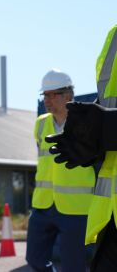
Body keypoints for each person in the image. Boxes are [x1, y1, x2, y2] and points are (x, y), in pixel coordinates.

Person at [46, 24, 117, 271]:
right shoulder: (114, 36)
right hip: (111, 219)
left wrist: (108, 126)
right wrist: (92, 141)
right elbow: (109, 102)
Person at [25, 69, 95, 272]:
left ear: (67, 96)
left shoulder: (85, 124)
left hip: (76, 208)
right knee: (35, 259)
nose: (47, 99)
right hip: (43, 205)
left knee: (73, 267)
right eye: (44, 95)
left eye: (51, 94)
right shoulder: (40, 124)